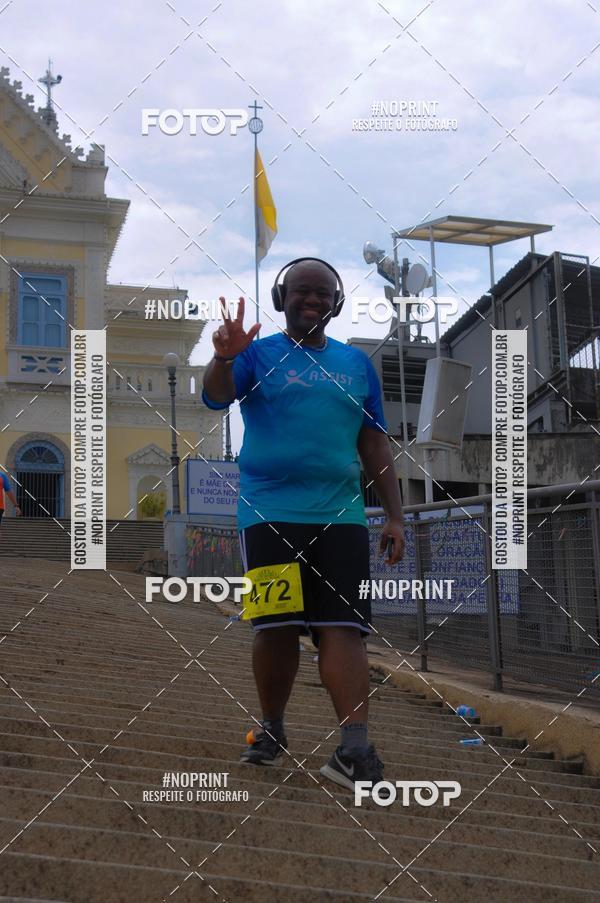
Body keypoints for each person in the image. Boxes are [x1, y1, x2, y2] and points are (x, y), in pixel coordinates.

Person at [202, 258, 405, 790]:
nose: (311, 300)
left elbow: (374, 441)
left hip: (342, 518)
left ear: (335, 303)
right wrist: (224, 358)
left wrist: (396, 515)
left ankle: (354, 749)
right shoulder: (257, 354)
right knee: (276, 627)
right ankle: (272, 729)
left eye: (321, 293)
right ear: (280, 298)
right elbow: (217, 394)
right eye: (300, 292)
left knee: (345, 629)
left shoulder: (356, 365)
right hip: (268, 515)